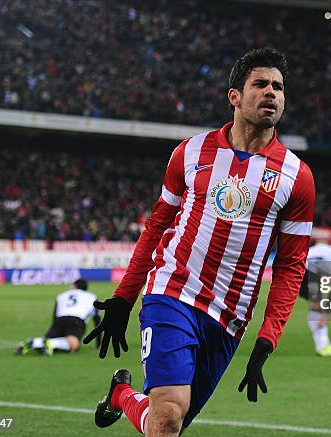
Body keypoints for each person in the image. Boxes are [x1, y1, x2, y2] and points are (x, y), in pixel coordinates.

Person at [84, 47, 315, 436]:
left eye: (278, 86)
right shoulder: (190, 152)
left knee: (166, 423)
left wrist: (267, 338)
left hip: (229, 316)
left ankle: (121, 394)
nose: (271, 93)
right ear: (235, 97)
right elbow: (155, 228)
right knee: (168, 417)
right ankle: (131, 396)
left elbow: (291, 266)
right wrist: (125, 297)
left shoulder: (297, 176)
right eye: (260, 84)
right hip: (173, 292)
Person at [15, 279, 100, 355]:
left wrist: (55, 329)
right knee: (74, 345)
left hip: (59, 320)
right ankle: (51, 344)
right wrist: (98, 343)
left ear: (75, 286)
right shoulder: (92, 297)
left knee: (50, 340)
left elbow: (55, 315)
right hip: (76, 320)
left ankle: (34, 342)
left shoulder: (61, 295)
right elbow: (97, 321)